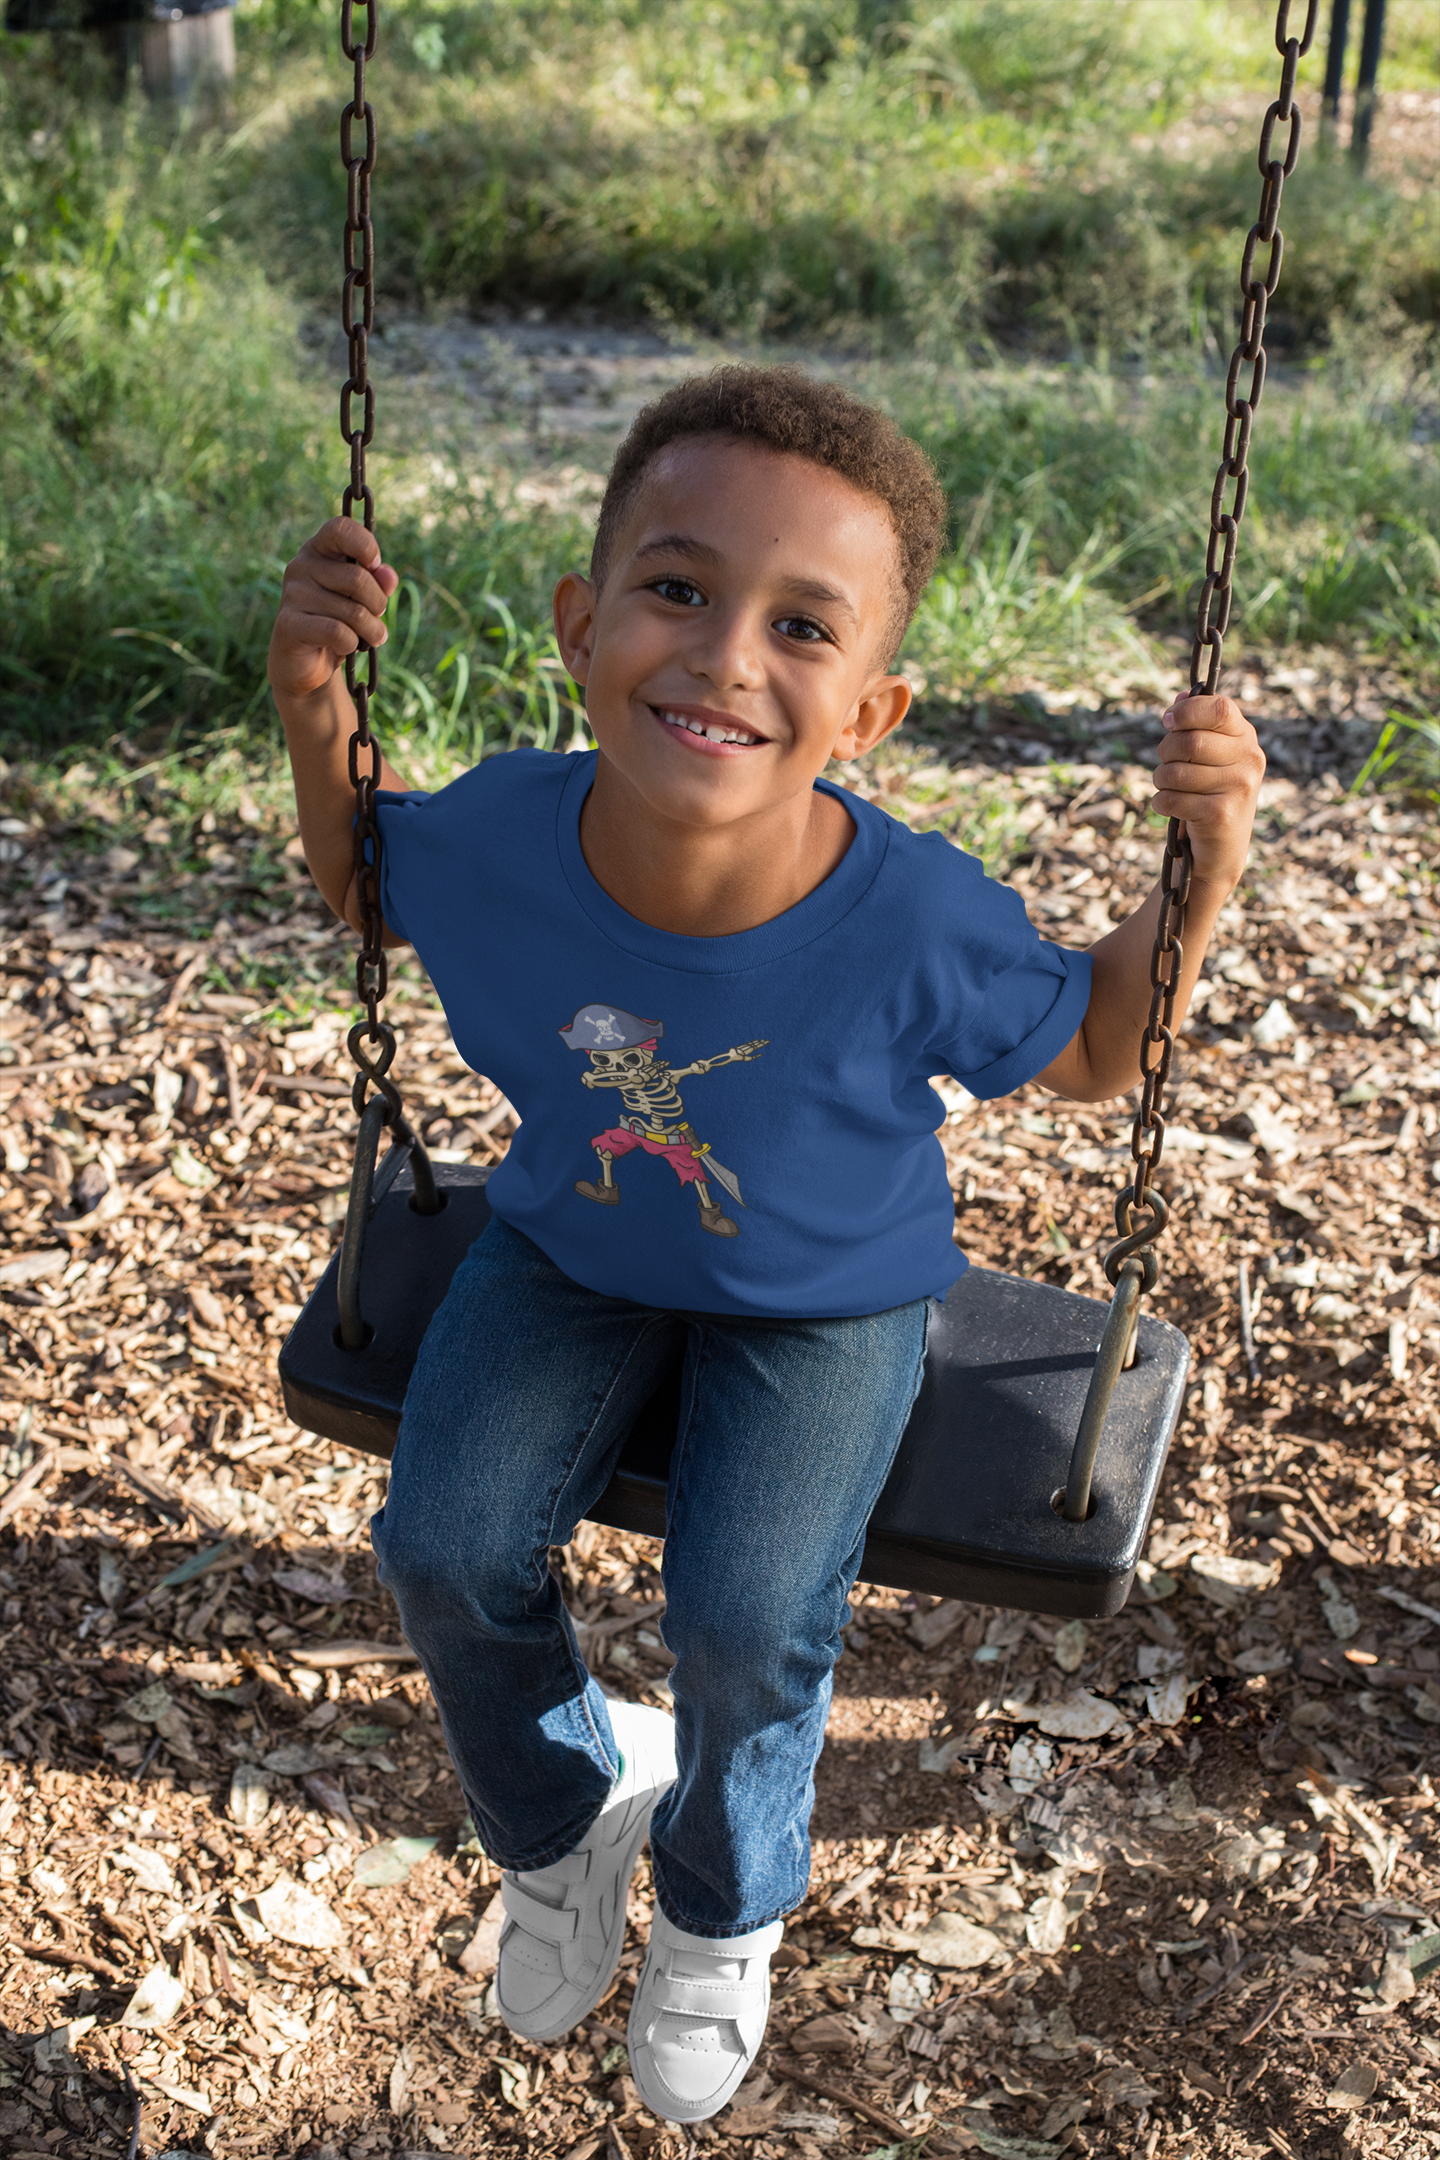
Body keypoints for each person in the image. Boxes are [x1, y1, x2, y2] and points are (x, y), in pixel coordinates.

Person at [268, 366, 1264, 2123]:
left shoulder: (918, 923)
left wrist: (1211, 851)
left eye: (801, 625)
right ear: (584, 624)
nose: (728, 655)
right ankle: (565, 1820)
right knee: (440, 1543)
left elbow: (1108, 1047)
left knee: (744, 1618)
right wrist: (308, 691)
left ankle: (726, 1910)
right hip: (570, 1242)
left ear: (869, 709)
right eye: (679, 588)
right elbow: (367, 876)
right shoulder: (502, 833)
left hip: (828, 1299)